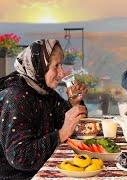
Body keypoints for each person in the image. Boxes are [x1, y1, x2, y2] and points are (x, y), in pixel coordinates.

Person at [0, 39, 87, 179]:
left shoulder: (43, 90)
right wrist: (61, 134)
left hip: (45, 167)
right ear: (39, 66)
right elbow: (20, 157)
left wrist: (74, 103)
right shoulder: (16, 97)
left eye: (61, 65)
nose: (62, 73)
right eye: (56, 66)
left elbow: (66, 123)